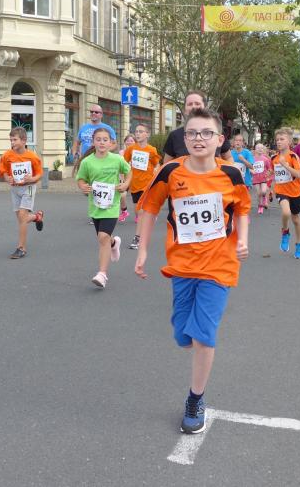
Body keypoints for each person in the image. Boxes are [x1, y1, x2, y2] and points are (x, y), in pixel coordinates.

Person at [134, 108, 250, 434]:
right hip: (182, 265)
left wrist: (243, 239)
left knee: (203, 336)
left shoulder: (232, 174)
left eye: (207, 133)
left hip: (219, 266)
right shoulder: (170, 171)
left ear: (220, 139)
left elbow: (242, 208)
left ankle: (195, 399)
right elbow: (149, 207)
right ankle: (192, 342)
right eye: (193, 133)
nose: (199, 139)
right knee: (183, 335)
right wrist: (142, 249)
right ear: (185, 139)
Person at [75, 127, 131, 288]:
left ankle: (102, 274)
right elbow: (81, 179)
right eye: (98, 139)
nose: (101, 142)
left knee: (102, 237)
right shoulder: (87, 162)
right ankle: (114, 243)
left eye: (105, 140)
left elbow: (129, 172)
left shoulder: (117, 159)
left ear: (111, 143)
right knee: (105, 238)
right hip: (95, 205)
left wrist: (126, 184)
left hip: (112, 205)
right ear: (93, 142)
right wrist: (83, 186)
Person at [0, 127, 45, 259]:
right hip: (15, 189)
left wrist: (32, 179)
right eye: (11, 140)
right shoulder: (7, 155)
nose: (12, 142)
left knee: (22, 216)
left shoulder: (32, 156)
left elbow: (40, 174)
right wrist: (7, 178)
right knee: (21, 219)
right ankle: (37, 217)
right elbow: (3, 170)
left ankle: (21, 248)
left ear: (24, 140)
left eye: (15, 140)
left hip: (28, 187)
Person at [162, 90, 233, 163]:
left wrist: (228, 169)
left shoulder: (216, 132)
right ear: (185, 110)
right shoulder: (174, 135)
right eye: (190, 104)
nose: (193, 107)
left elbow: (228, 157)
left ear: (205, 108)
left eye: (197, 103)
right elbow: (167, 163)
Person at [124, 123, 162, 249]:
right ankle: (150, 215)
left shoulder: (151, 150)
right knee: (137, 211)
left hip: (147, 185)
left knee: (140, 212)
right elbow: (124, 163)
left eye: (141, 131)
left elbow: (157, 164)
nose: (138, 134)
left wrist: (156, 171)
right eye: (136, 131)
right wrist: (123, 179)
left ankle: (137, 238)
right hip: (135, 184)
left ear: (147, 134)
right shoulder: (131, 149)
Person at [272, 128, 300, 259]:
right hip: (281, 191)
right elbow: (273, 173)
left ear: (289, 142)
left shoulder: (293, 156)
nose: (279, 142)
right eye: (277, 140)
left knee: (296, 219)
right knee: (286, 212)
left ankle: (299, 244)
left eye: (282, 139)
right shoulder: (274, 158)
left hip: (295, 192)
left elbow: (299, 175)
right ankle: (285, 232)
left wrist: (286, 165)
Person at [72, 104, 117, 172]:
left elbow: (114, 144)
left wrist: (104, 151)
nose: (93, 113)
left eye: (96, 112)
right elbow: (76, 143)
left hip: (101, 161)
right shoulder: (84, 127)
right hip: (84, 160)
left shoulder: (108, 128)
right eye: (91, 112)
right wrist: (75, 155)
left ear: (101, 115)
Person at [251, 143, 273, 215]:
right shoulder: (252, 158)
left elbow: (269, 168)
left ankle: (264, 198)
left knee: (263, 191)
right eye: (258, 148)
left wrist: (268, 175)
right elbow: (250, 167)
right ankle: (260, 206)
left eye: (261, 148)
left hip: (264, 178)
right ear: (255, 150)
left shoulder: (265, 159)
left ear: (263, 150)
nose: (260, 149)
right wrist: (251, 171)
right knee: (258, 193)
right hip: (256, 178)